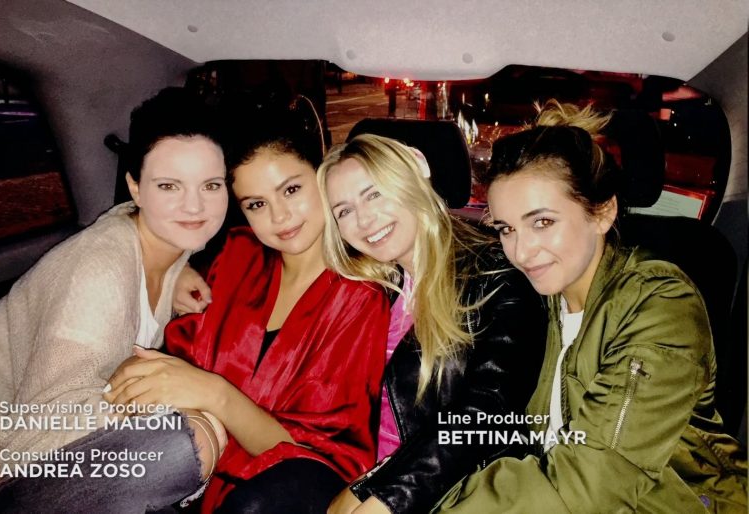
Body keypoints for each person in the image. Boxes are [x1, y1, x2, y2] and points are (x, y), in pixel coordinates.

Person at [436, 100, 747, 513]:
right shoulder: (537, 304)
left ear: (602, 213)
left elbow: (592, 479)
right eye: (507, 229)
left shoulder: (660, 304)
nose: (521, 251)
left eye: (542, 222)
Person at [107, 111, 390, 513]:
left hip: (270, 497)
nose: (279, 216)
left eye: (291, 189)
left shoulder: (360, 295)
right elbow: (180, 359)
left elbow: (320, 463)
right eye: (257, 204)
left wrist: (215, 394)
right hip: (187, 467)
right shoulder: (237, 256)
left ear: (321, 174)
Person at [0, 87, 229, 509]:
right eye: (169, 185)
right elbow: (22, 446)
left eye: (211, 184)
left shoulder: (168, 245)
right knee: (193, 436)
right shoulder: (97, 275)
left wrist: (176, 276)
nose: (194, 206)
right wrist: (158, 400)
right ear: (135, 187)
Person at [317, 133, 547, 514]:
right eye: (343, 211)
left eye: (374, 194)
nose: (364, 220)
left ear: (417, 168)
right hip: (364, 473)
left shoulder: (494, 277)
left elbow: (485, 413)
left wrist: (384, 499)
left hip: (450, 492)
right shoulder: (371, 290)